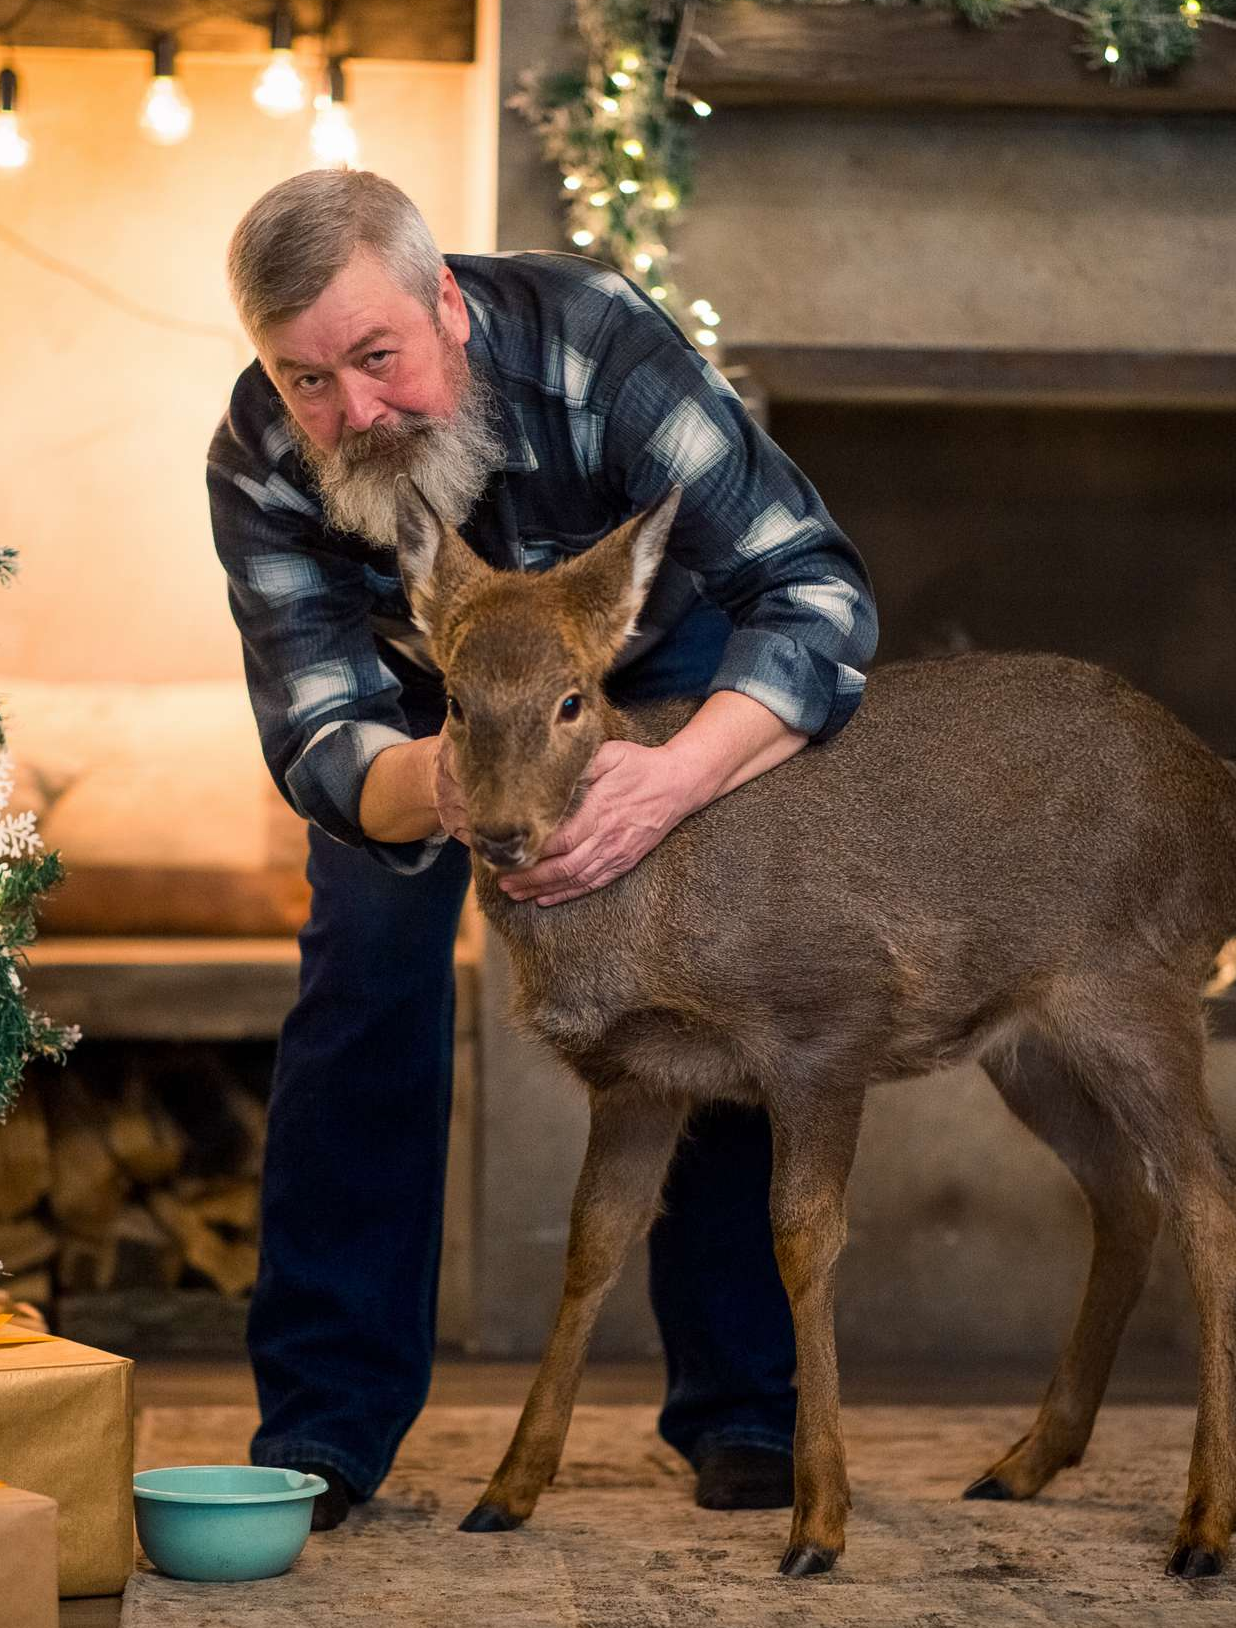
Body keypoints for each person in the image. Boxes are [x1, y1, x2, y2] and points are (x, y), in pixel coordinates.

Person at [207, 169, 877, 1532]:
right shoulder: (258, 460)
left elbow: (814, 591)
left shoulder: (595, 341)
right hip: (425, 720)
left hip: (656, 673)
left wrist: (672, 782)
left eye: (377, 358)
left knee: (727, 972)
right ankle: (326, 1429)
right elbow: (318, 735)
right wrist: (443, 785)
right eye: (306, 379)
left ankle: (743, 1406)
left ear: (445, 303)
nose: (351, 413)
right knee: (364, 976)